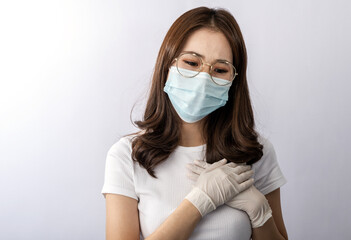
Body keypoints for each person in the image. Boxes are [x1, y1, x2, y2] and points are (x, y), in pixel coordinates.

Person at [101, 6, 288, 240]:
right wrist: (199, 202)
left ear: (233, 80)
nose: (203, 79)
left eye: (220, 69)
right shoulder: (127, 156)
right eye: (191, 63)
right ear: (167, 64)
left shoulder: (256, 152)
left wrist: (260, 212)